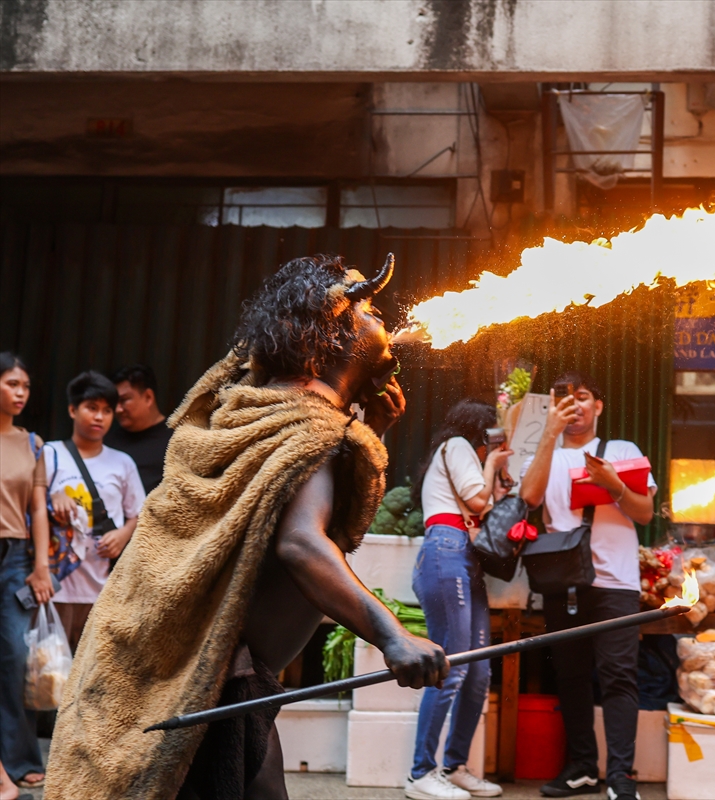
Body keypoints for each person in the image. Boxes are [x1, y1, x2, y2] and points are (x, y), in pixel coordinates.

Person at [44, 254, 448, 800]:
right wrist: (391, 634)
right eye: (367, 309)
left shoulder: (272, 418)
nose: (382, 319)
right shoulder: (307, 428)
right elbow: (302, 544)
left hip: (215, 679)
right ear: (325, 334)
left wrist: (370, 431)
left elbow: (298, 517)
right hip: (216, 685)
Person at [520, 370, 656, 800]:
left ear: (598, 406)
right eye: (564, 399)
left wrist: (614, 485)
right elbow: (529, 497)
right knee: (571, 675)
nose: (574, 405)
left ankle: (620, 776)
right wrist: (549, 434)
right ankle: (581, 767)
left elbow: (645, 513)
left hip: (617, 583)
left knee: (619, 677)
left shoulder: (621, 451)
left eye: (582, 397)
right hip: (562, 582)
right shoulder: (545, 455)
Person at [407, 398, 511, 800]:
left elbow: (485, 507)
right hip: (445, 551)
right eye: (490, 440)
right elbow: (478, 501)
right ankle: (420, 773)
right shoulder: (457, 446)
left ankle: (455, 767)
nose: (489, 448)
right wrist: (493, 465)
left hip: (465, 558)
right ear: (478, 432)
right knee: (449, 668)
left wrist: (498, 473)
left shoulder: (465, 454)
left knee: (478, 671)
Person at [45, 371, 145, 652]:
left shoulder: (122, 463)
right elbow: (25, 505)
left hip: (103, 590)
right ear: (72, 410)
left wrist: (123, 534)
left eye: (107, 410)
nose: (99, 417)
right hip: (55, 587)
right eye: (91, 408)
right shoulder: (49, 454)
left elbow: (140, 514)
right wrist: (53, 496)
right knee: (49, 668)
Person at [0, 353, 53, 791]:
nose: (21, 393)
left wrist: (41, 566)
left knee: (17, 659)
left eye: (26, 386)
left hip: (15, 559)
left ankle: (18, 760)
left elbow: (38, 507)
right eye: (12, 383)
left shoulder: (33, 444)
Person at [105, 364, 173, 495]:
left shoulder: (178, 440)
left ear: (148, 397)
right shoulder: (106, 442)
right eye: (114, 402)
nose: (118, 409)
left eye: (124, 400)